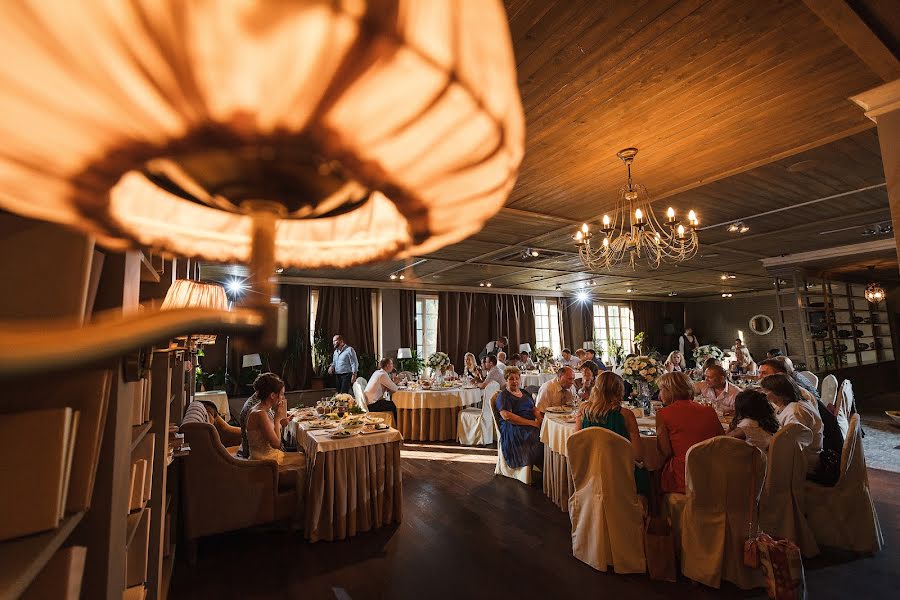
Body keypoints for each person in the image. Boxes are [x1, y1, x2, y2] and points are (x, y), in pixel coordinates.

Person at [757, 358, 842, 480]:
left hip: (808, 461)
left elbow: (794, 445)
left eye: (764, 373)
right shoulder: (791, 398)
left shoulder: (796, 410)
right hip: (808, 450)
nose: (759, 377)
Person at [575, 371, 650, 498]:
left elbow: (576, 445)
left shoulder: (583, 411)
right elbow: (638, 455)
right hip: (621, 475)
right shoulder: (626, 415)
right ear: (619, 390)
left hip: (592, 471)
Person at [244, 373, 306, 522]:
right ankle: (300, 515)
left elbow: (272, 432)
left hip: (270, 456)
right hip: (265, 461)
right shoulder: (260, 414)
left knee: (304, 456)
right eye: (281, 394)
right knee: (308, 463)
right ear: (273, 395)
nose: (282, 398)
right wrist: (278, 418)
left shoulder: (264, 409)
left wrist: (281, 422)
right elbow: (277, 444)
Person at [656, 371, 723, 494]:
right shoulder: (709, 411)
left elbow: (666, 452)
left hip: (684, 474)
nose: (659, 395)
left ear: (670, 390)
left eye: (661, 390)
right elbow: (722, 441)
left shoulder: (663, 413)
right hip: (711, 472)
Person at [759, 374, 825, 478]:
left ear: (778, 392)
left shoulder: (795, 411)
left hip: (805, 462)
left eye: (765, 391)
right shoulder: (792, 403)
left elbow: (792, 444)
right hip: (800, 455)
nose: (763, 394)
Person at [495, 366, 543, 469]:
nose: (515, 381)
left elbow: (534, 409)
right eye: (511, 379)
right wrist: (532, 423)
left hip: (529, 422)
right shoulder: (504, 396)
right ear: (506, 380)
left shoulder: (524, 392)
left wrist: (541, 421)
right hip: (513, 426)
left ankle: (546, 465)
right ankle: (538, 464)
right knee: (536, 435)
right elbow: (506, 416)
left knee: (546, 432)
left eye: (517, 378)